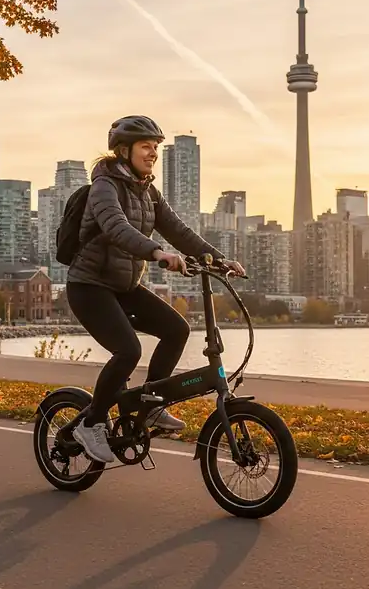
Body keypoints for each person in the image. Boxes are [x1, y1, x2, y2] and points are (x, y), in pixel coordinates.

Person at [66, 115, 246, 463]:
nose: (153, 154)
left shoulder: (148, 191)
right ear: (123, 150)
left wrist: (220, 260)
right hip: (89, 286)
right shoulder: (105, 187)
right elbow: (117, 227)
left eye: (156, 148)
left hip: (124, 286)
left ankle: (149, 406)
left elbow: (179, 231)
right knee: (128, 350)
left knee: (177, 329)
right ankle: (90, 423)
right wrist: (157, 252)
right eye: (146, 147)